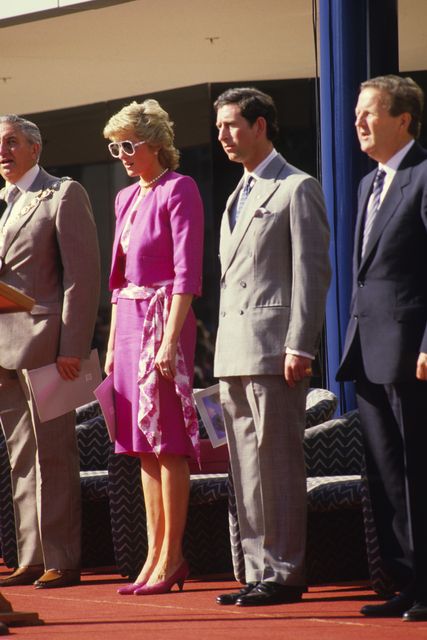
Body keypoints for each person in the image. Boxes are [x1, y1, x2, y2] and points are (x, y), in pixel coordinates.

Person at [213, 87, 331, 606]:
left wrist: (300, 345)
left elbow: (312, 273)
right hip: (233, 352)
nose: (222, 136)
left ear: (261, 125)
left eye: (232, 125)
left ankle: (285, 572)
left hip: (273, 350)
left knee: (277, 465)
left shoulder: (296, 187)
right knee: (245, 468)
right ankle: (257, 569)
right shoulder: (237, 193)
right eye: (218, 127)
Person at [103, 100, 204, 596]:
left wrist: (169, 342)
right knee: (141, 447)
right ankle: (151, 555)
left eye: (128, 145)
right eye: (114, 146)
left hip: (165, 320)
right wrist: (108, 345)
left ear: (156, 144)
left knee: (168, 444)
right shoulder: (125, 198)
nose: (120, 154)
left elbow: (187, 273)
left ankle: (174, 555)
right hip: (126, 322)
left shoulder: (179, 189)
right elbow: (118, 279)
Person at [337, 75, 427, 622]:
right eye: (355, 116)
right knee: (387, 474)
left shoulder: (423, 176)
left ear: (403, 120)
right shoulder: (370, 184)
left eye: (370, 113)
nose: (359, 124)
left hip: (409, 353)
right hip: (366, 349)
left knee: (418, 471)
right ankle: (406, 579)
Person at [0, 115, 100, 588]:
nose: (3, 151)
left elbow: (82, 278)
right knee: (20, 456)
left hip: (49, 347)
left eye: (11, 142)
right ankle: (32, 555)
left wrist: (73, 348)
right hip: (3, 349)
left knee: (54, 454)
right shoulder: (2, 202)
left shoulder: (62, 194)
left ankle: (62, 556)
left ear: (35, 149)